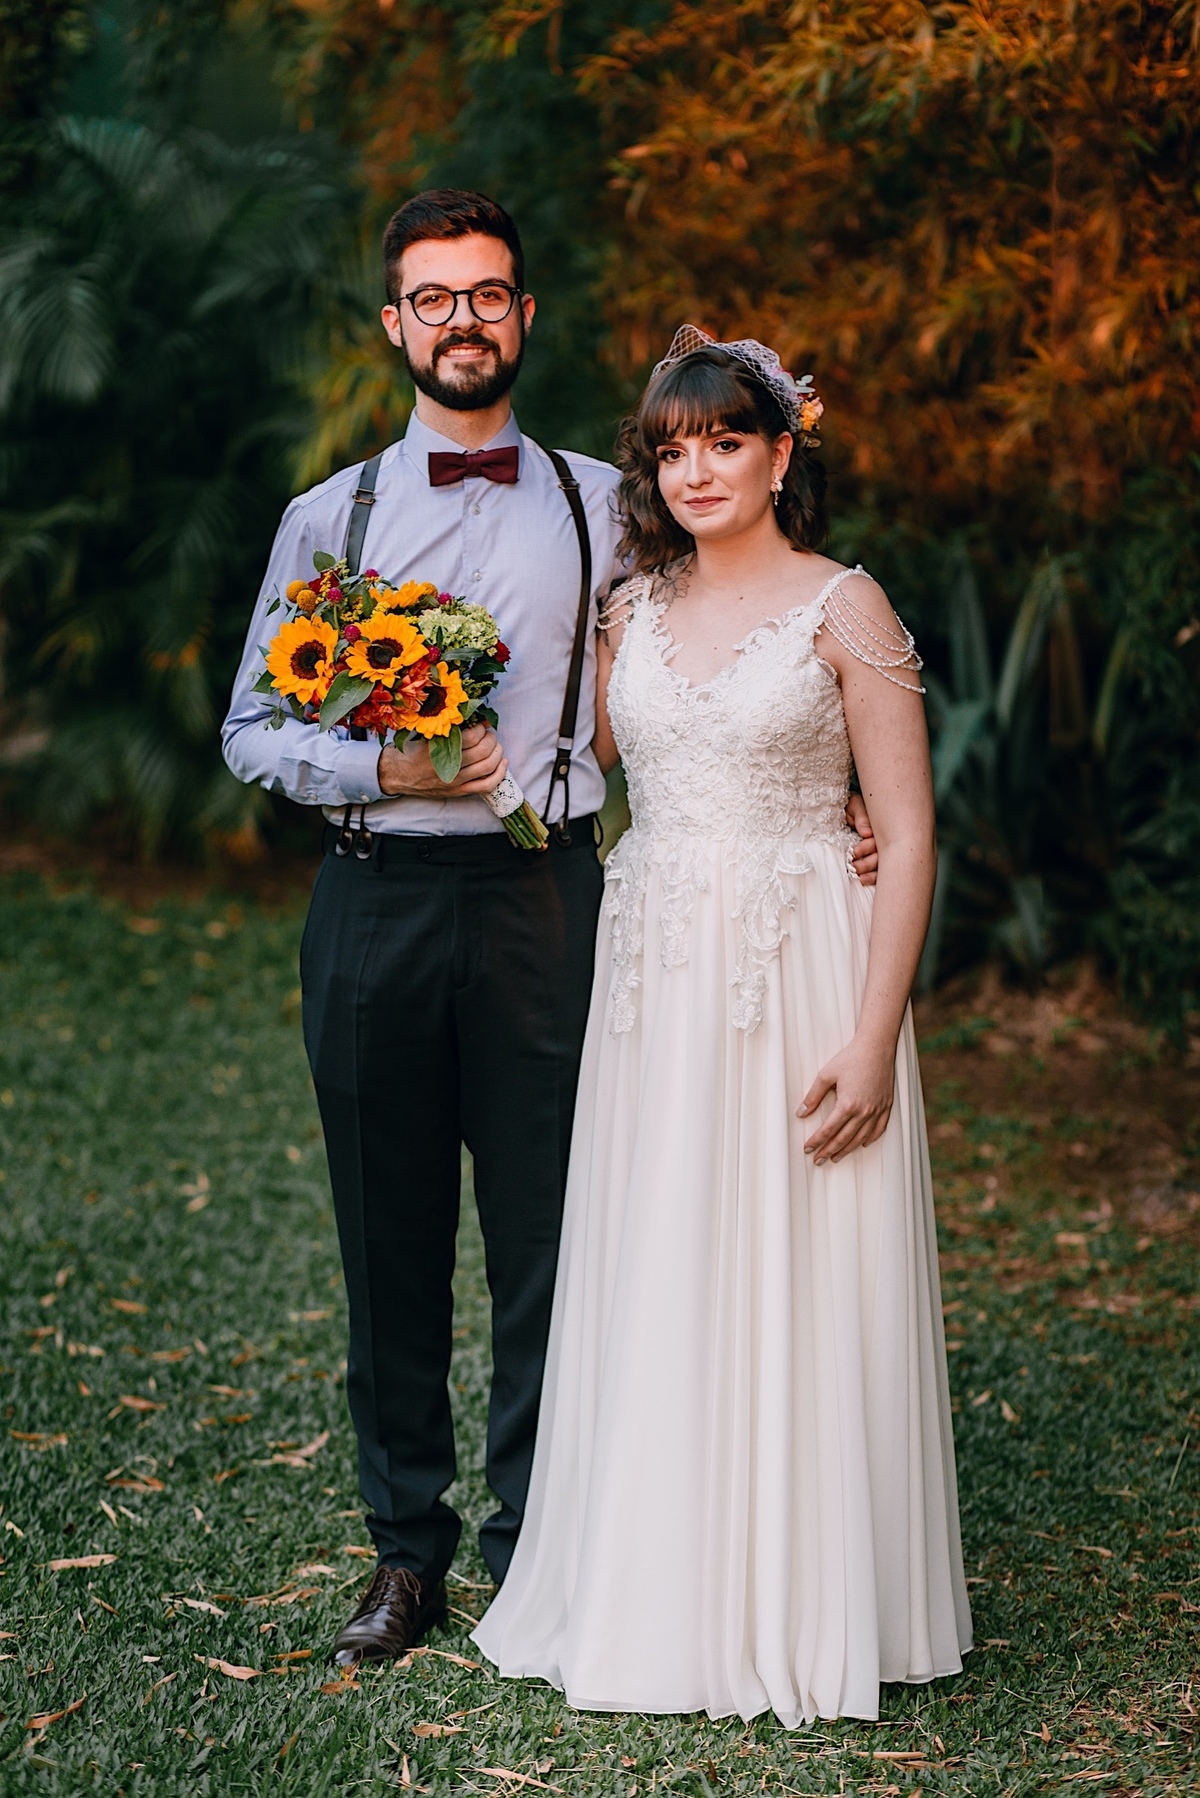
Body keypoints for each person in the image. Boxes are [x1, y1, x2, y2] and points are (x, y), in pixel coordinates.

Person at [223, 196, 878, 1670]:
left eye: (490, 295)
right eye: (433, 297)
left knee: (554, 1233)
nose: (464, 320)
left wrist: (837, 799)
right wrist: (384, 765)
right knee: (387, 1240)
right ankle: (407, 1553)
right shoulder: (331, 519)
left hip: (552, 906)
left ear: (526, 317)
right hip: (375, 896)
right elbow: (252, 727)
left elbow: (721, 660)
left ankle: (543, 1539)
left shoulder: (612, 501)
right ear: (395, 324)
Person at [473, 327, 972, 1726]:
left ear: (781, 448)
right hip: (650, 972)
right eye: (672, 447)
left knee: (797, 1253)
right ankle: (662, 1578)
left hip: (800, 959)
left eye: (725, 440)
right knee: (667, 1245)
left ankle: (805, 1591)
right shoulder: (629, 608)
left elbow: (912, 826)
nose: (696, 468)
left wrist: (876, 1034)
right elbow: (559, 761)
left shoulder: (846, 607)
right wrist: (407, 673)